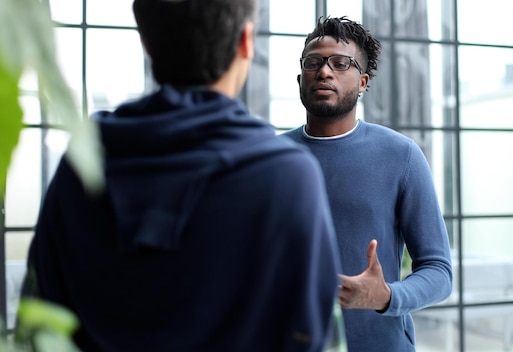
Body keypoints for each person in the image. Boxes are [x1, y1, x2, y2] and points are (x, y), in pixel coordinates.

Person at [19, 1, 343, 351]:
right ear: (246, 41)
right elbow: (314, 335)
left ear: (145, 41)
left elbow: (38, 320)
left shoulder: (84, 162)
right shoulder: (288, 177)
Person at [283, 16, 453, 352]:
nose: (325, 71)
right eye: (313, 62)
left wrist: (387, 296)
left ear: (362, 82)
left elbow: (439, 271)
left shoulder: (400, 155)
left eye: (340, 63)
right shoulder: (271, 158)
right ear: (300, 77)